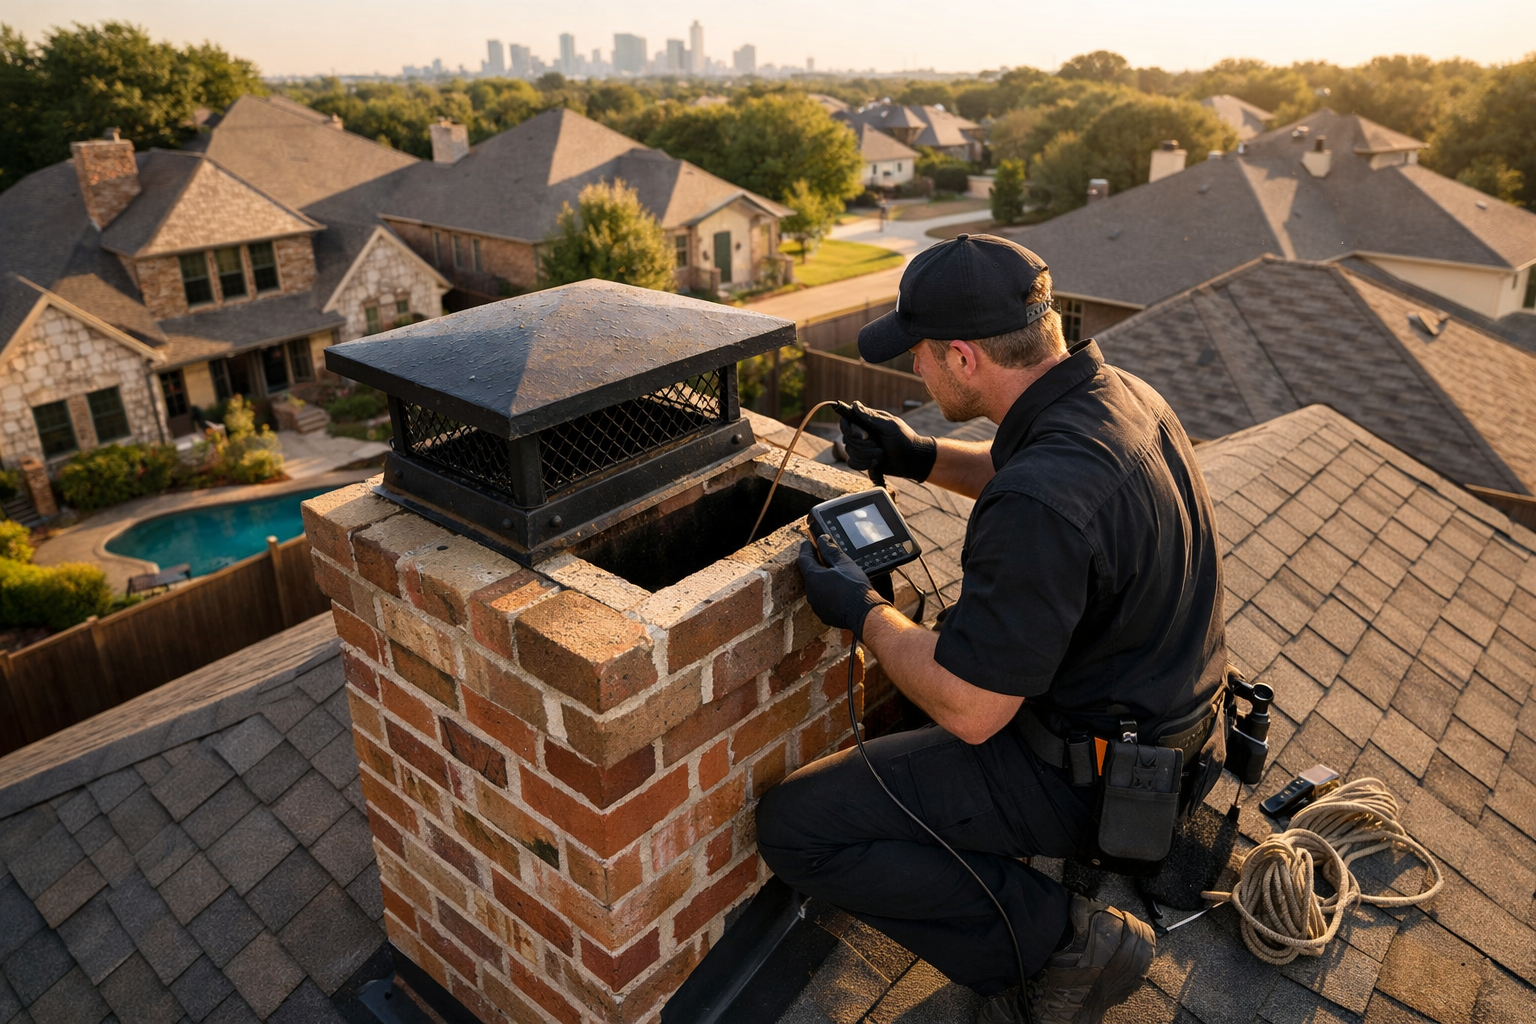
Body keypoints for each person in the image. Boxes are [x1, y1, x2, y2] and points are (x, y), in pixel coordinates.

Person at [755, 234, 1227, 1024]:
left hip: (1098, 781)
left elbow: (974, 711)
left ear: (965, 358)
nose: (913, 370)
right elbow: (1032, 476)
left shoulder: (1041, 502)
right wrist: (919, 455)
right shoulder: (1118, 397)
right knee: (937, 667)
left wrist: (864, 612)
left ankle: (1063, 946)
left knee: (797, 826)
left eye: (920, 354)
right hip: (1170, 735)